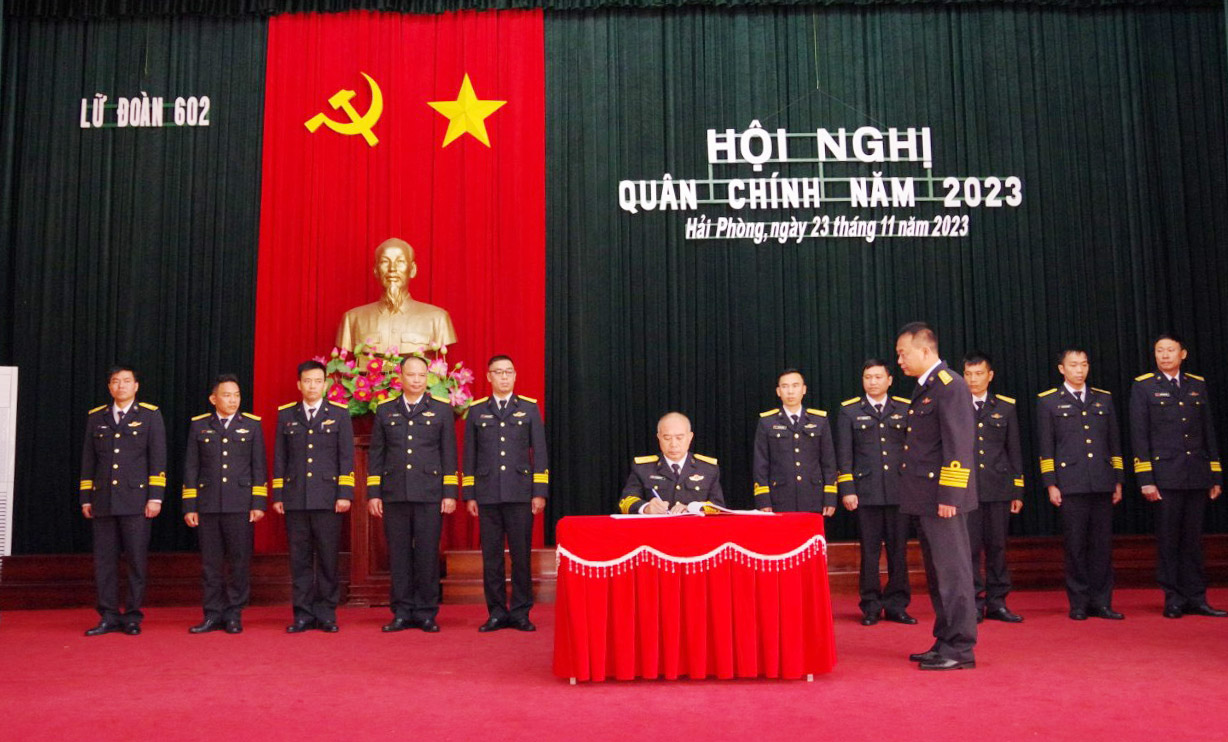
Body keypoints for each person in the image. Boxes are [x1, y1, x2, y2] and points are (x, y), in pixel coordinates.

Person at [895, 322, 978, 671]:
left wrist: (951, 496)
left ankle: (960, 648)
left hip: (943, 499)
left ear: (925, 350)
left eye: (903, 353)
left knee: (953, 573)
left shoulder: (950, 385)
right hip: (925, 498)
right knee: (938, 574)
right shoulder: (926, 387)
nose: (899, 360)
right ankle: (945, 640)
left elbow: (959, 444)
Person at [1130, 334, 1226, 619]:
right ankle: (1173, 598)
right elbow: (1139, 434)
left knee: (1193, 540)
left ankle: (1197, 597)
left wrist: (1215, 474)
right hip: (1165, 475)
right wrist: (1146, 478)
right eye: (1159, 350)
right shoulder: (1144, 386)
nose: (1165, 355)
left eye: (1170, 350)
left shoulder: (1197, 384)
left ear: (1183, 354)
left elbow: (1208, 431)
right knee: (1169, 539)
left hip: (1196, 473)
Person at [367, 355, 458, 633]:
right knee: (399, 555)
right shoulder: (385, 410)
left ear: (427, 377)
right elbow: (377, 455)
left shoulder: (441, 409)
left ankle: (426, 612)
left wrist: (449, 492)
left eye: (421, 375)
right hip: (394, 493)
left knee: (427, 554)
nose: (416, 380)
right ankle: (402, 611)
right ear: (400, 377)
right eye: (411, 375)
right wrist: (374, 493)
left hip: (429, 493)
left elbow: (448, 454)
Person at [1037, 347, 1125, 621]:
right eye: (1073, 365)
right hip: (1070, 483)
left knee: (1101, 546)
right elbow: (1046, 447)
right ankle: (1078, 602)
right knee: (1075, 546)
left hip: (1101, 481)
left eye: (1084, 365)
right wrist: (1051, 483)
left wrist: (1118, 479)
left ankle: (1102, 602)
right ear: (1061, 369)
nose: (1079, 370)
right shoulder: (1049, 401)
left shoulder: (1103, 398)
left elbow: (1114, 443)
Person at [78, 365, 166, 636]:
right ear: (109, 387)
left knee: (136, 561)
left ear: (136, 386)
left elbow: (158, 458)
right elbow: (89, 460)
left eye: (127, 381)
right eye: (116, 381)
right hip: (103, 499)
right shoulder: (97, 417)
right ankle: (108, 615)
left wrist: (155, 497)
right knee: (104, 562)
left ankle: (132, 616)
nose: (121, 386)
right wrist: (86, 497)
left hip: (136, 500)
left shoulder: (150, 415)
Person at [463, 355, 548, 633]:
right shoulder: (477, 411)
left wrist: (539, 491)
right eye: (498, 372)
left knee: (521, 557)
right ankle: (497, 612)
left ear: (515, 376)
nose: (504, 377)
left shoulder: (529, 408)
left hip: (520, 493)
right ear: (489, 376)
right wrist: (470, 494)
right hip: (487, 494)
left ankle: (521, 612)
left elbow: (540, 453)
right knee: (492, 558)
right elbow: (470, 455)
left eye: (508, 372)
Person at [272, 360, 354, 633]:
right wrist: (278, 494)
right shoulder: (287, 415)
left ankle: (327, 613)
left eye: (318, 381)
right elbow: (280, 458)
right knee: (300, 559)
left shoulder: (339, 414)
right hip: (295, 498)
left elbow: (346, 457)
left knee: (328, 558)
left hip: (328, 498)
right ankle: (302, 615)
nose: (312, 386)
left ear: (325, 384)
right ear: (299, 384)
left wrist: (345, 493)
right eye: (307, 381)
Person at [181, 374, 267, 634]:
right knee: (211, 563)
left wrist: (258, 502)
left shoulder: (251, 425)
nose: (233, 400)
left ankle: (233, 614)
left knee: (239, 562)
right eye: (227, 395)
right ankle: (212, 614)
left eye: (236, 395)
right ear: (213, 398)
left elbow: (258, 466)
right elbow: (191, 467)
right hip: (207, 504)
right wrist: (190, 505)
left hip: (240, 504)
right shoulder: (199, 425)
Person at [836, 358, 915, 626]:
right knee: (869, 552)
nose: (873, 382)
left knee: (898, 551)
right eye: (868, 377)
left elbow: (913, 451)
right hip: (865, 492)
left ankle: (896, 605)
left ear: (889, 380)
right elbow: (845, 454)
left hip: (899, 491)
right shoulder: (849, 411)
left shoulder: (904, 408)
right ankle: (870, 605)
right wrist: (847, 488)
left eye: (878, 377)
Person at [962, 351, 1025, 623]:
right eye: (968, 374)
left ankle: (997, 602)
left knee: (997, 547)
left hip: (998, 487)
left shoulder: (1005, 407)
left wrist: (1017, 490)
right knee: (970, 549)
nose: (973, 379)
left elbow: (1014, 451)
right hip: (966, 490)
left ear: (990, 376)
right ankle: (974, 603)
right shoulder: (955, 405)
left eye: (979, 374)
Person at [336, 237, 458, 353]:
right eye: (385, 261)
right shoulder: (352, 319)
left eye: (400, 262)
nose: (392, 268)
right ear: (376, 270)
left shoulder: (438, 319)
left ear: (412, 270)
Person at [753, 369, 838, 517]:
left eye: (795, 385)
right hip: (779, 498)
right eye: (785, 386)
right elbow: (761, 464)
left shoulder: (819, 421)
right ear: (778, 391)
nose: (790, 391)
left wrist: (830, 496)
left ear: (804, 389)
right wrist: (763, 499)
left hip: (813, 496)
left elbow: (828, 462)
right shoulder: (767, 422)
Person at [618, 412, 724, 514]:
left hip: (695, 526)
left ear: (690, 437)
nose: (673, 444)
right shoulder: (643, 468)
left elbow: (718, 506)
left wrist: (692, 508)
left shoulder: (708, 469)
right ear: (659, 437)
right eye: (667, 438)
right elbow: (625, 502)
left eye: (679, 438)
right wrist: (646, 508)